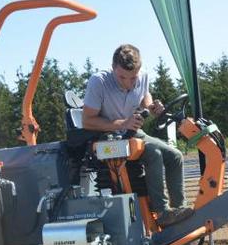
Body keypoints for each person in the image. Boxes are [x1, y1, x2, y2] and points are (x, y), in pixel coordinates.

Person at [82, 44, 193, 228]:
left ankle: (179, 210)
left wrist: (151, 106)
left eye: (133, 78)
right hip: (107, 138)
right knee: (154, 154)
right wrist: (122, 123)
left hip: (132, 133)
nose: (128, 83)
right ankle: (162, 212)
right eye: (122, 77)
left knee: (175, 156)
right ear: (113, 68)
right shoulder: (99, 82)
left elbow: (144, 95)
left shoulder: (143, 77)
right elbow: (87, 121)